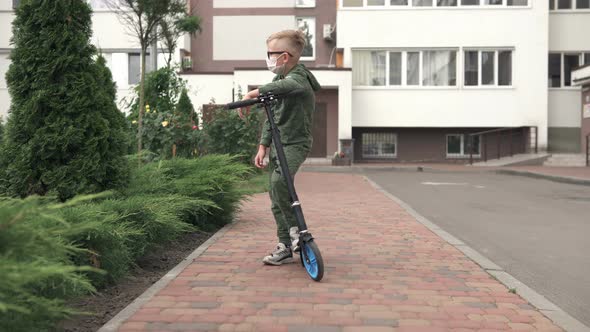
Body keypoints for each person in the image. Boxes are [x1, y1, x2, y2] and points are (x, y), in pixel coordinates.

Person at [238, 30, 321, 266]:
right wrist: (263, 146)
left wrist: (254, 91)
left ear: (284, 57)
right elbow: (271, 114)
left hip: (296, 143)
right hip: (277, 143)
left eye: (270, 54)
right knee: (275, 196)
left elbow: (291, 85)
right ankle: (285, 245)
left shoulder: (299, 79)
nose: (268, 59)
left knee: (279, 182)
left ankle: (295, 231)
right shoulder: (277, 83)